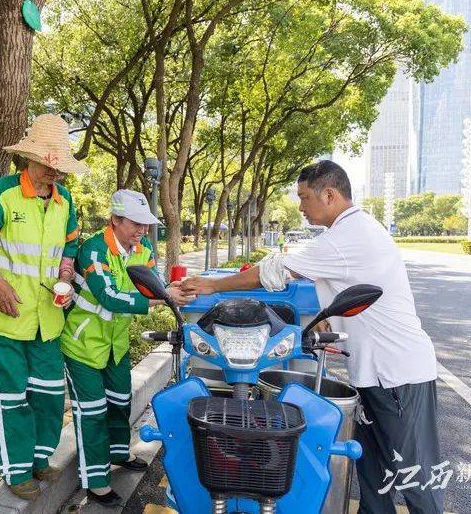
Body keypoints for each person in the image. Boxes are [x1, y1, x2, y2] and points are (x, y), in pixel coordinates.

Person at [182, 160, 443, 514]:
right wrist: (328, 312)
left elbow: (275, 273)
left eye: (304, 198)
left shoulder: (348, 236)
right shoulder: (352, 231)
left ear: (330, 195)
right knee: (372, 476)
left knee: (415, 480)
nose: (300, 207)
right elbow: (340, 281)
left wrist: (211, 285)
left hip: (397, 376)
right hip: (375, 375)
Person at [0, 114, 87, 500]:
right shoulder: (2, 194)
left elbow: (71, 246)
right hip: (6, 318)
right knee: (12, 399)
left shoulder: (66, 203)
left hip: (47, 319)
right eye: (48, 164)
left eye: (58, 166)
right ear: (28, 160)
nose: (53, 172)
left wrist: (66, 275)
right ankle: (16, 471)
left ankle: (38, 458)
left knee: (48, 395)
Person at [61, 190, 191, 507]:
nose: (142, 231)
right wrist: (165, 296)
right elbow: (108, 296)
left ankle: (118, 453)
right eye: (136, 224)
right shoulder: (93, 251)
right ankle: (96, 481)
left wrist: (171, 291)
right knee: (91, 412)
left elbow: (149, 283)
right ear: (116, 220)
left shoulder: (142, 248)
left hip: (115, 344)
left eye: (146, 225)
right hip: (83, 344)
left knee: (120, 400)